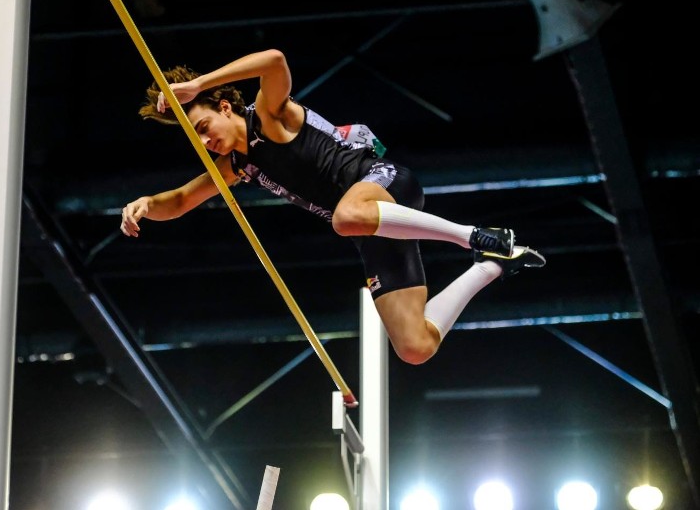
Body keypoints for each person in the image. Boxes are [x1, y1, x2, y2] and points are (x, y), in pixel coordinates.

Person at [120, 49, 545, 365]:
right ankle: (494, 264)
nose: (206, 142)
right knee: (415, 347)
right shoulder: (235, 165)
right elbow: (178, 201)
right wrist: (143, 205)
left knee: (344, 218)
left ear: (225, 107)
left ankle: (474, 236)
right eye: (196, 141)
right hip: (373, 230)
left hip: (384, 182)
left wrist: (198, 83)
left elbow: (274, 60)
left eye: (205, 128)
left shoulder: (269, 115)